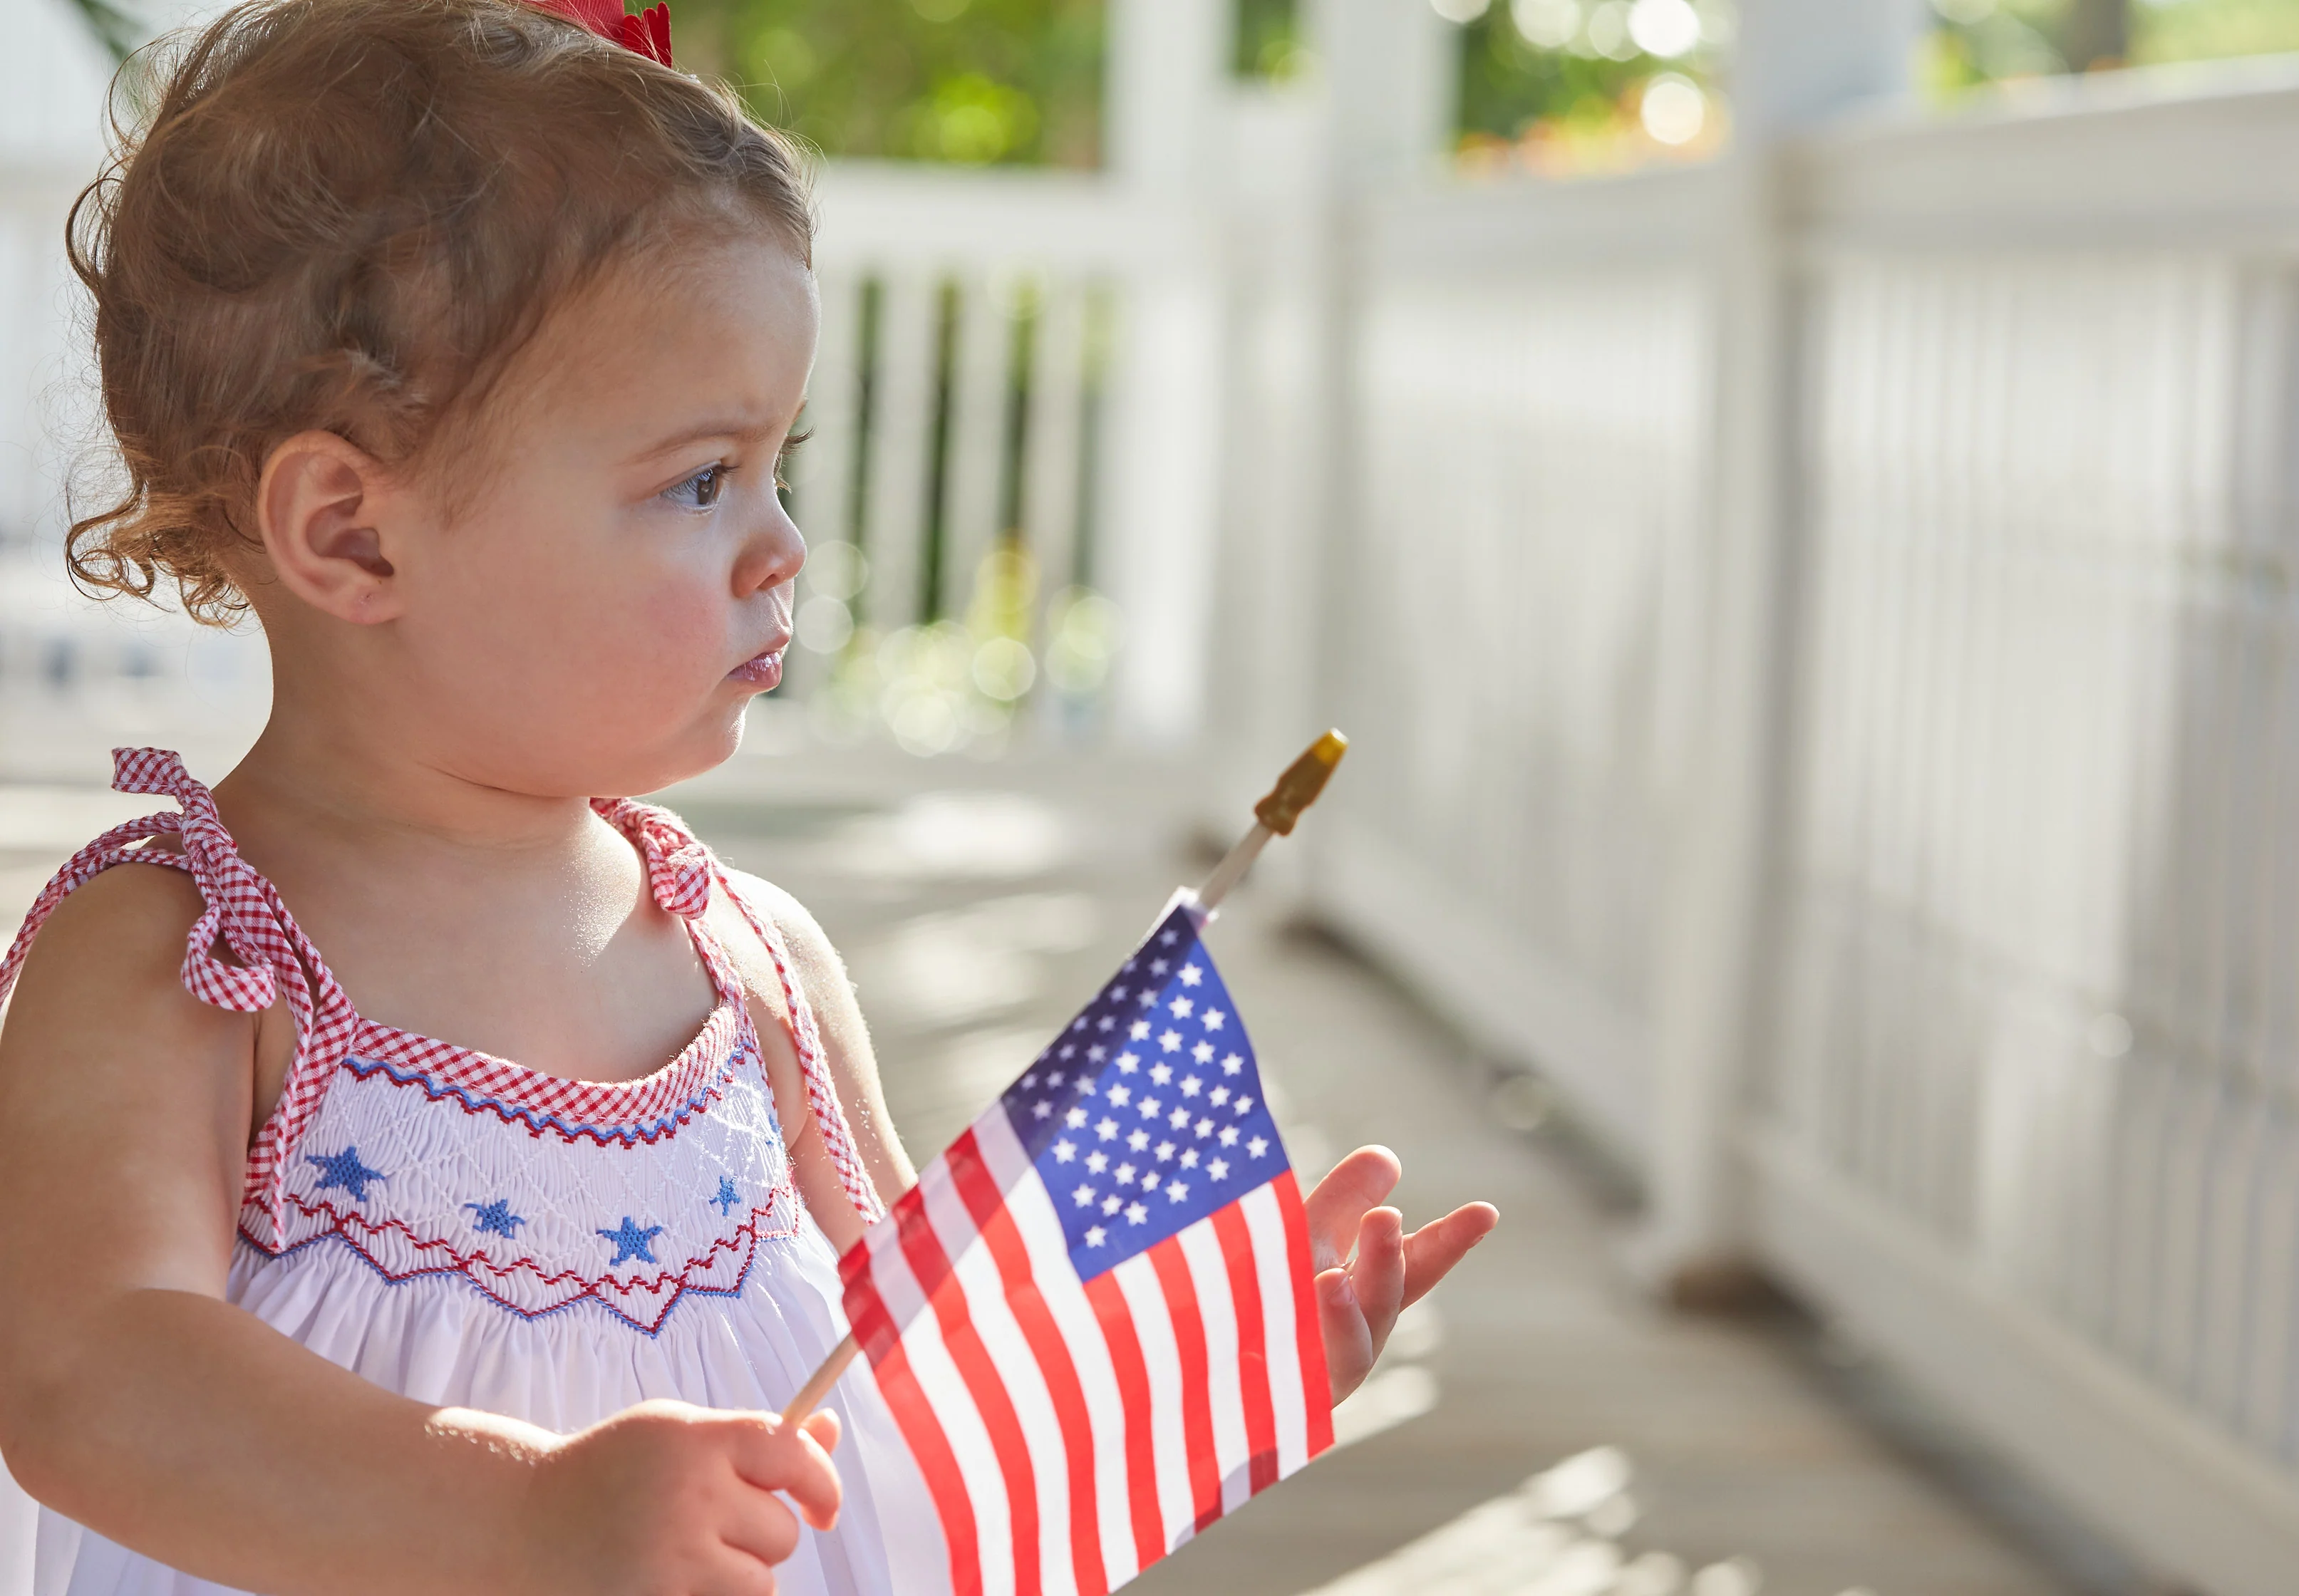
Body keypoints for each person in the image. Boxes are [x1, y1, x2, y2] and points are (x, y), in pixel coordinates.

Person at [0, 2, 1499, 1592]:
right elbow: (91, 1380)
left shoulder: (749, 962)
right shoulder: (183, 959)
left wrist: (1187, 1361)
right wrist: (524, 1512)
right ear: (355, 535)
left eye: (779, 463)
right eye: (700, 478)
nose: (782, 543)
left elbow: (914, 1381)